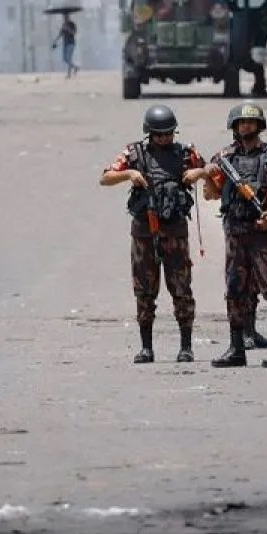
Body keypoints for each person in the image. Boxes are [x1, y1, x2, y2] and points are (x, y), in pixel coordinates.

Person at [100, 105, 207, 363]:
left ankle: (186, 347)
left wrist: (200, 172)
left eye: (169, 134)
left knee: (181, 289)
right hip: (144, 233)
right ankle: (146, 347)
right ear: (150, 134)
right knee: (144, 291)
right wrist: (129, 174)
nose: (165, 139)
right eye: (159, 135)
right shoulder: (134, 153)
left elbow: (214, 173)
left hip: (175, 232)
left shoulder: (185, 153)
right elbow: (105, 177)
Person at [200, 104, 267, 368]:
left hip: (263, 233)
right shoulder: (224, 157)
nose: (246, 126)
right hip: (235, 233)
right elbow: (212, 194)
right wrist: (207, 176)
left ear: (259, 126)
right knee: (235, 290)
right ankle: (237, 348)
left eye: (251, 122)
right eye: (241, 122)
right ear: (234, 126)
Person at [52, 13, 78, 77]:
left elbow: (74, 33)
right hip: (65, 43)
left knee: (69, 58)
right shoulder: (63, 25)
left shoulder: (72, 24)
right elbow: (60, 34)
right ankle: (75, 67)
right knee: (65, 59)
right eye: (64, 17)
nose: (65, 18)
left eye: (66, 17)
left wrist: (68, 29)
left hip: (71, 43)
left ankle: (69, 74)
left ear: (69, 17)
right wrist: (55, 41)